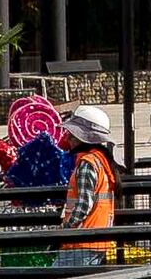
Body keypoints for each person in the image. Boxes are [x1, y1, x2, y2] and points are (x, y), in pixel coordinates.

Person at [51, 104, 122, 268]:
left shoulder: (87, 163)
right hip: (96, 239)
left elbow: (84, 204)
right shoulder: (102, 161)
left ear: (82, 138)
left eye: (72, 134)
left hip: (80, 241)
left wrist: (64, 229)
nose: (67, 138)